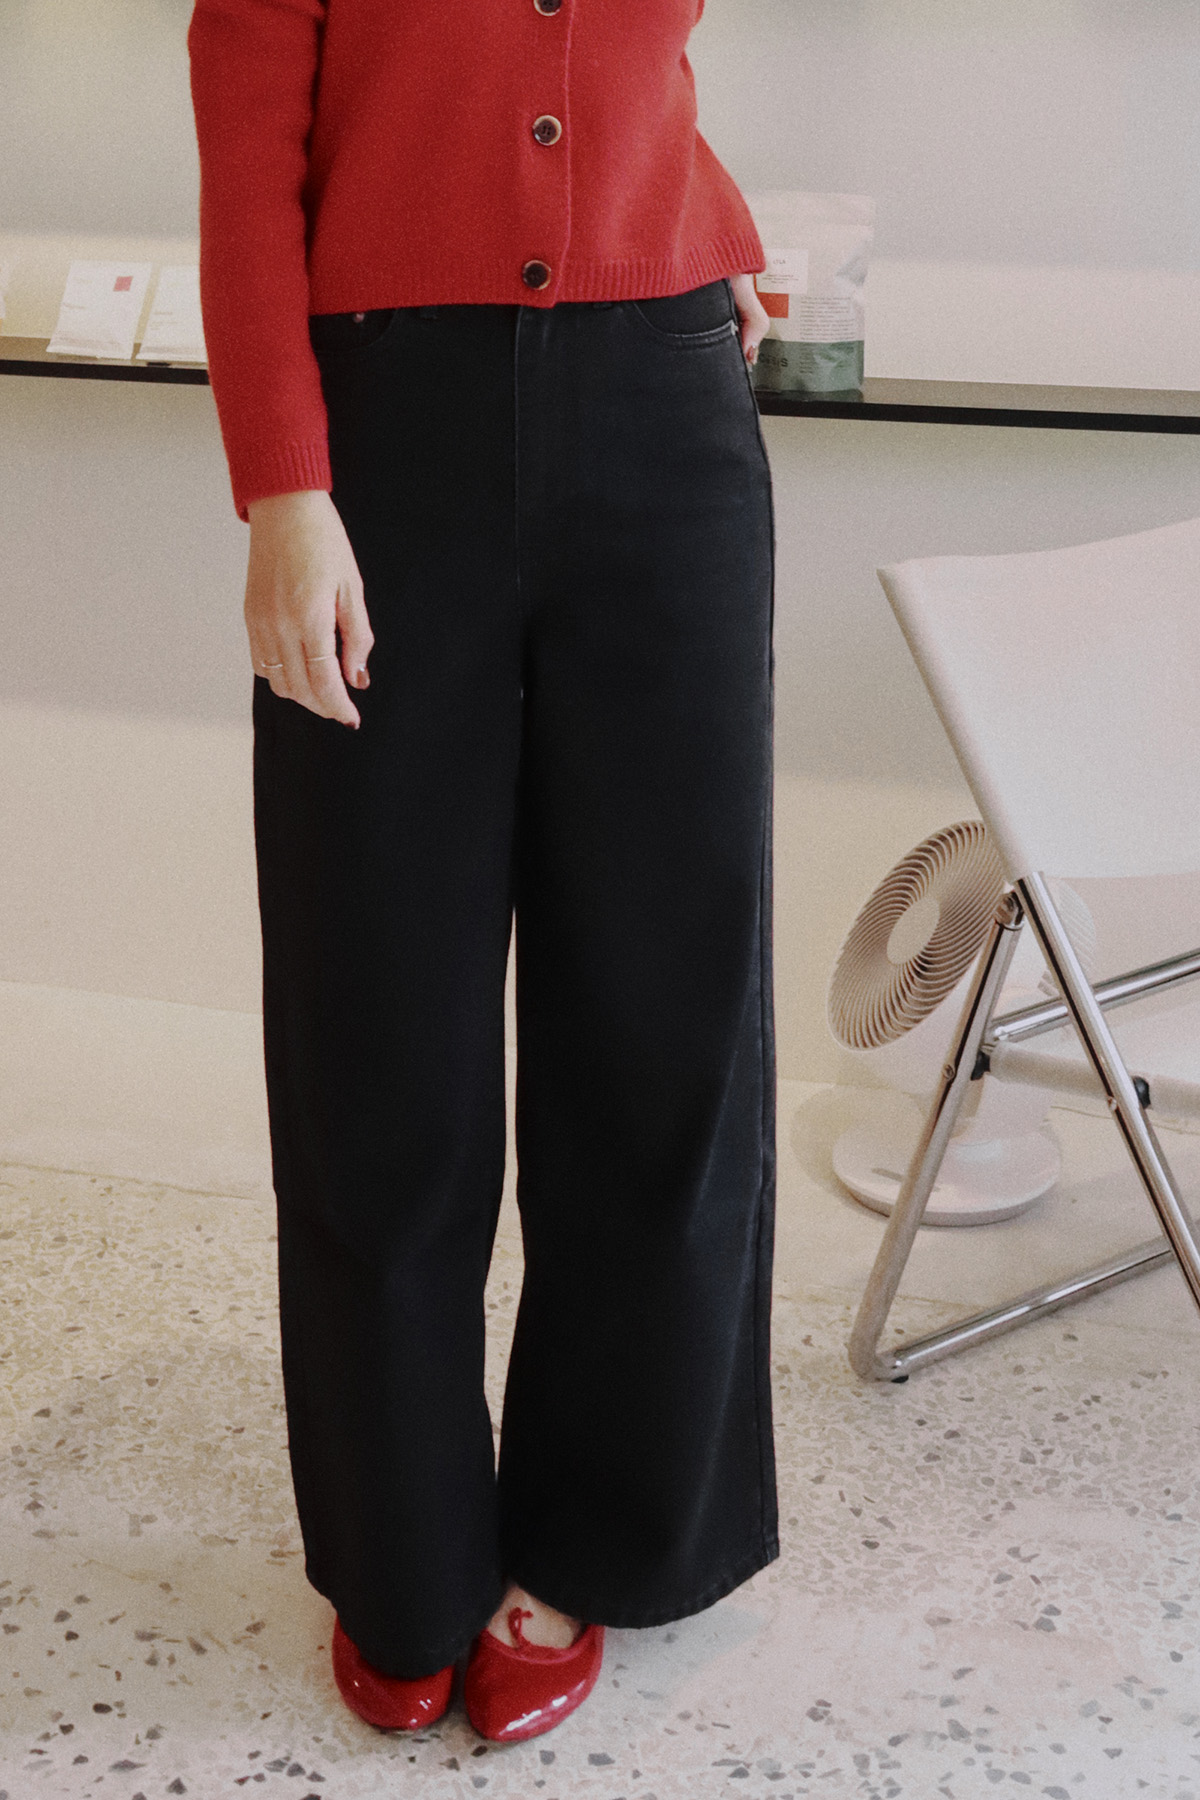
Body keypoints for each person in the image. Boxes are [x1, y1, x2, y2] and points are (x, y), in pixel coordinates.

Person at [187, 0, 778, 1745]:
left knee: (661, 1018)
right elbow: (248, 169)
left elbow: (631, 68)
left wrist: (702, 227)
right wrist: (283, 486)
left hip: (664, 403)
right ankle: (403, 1558)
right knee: (380, 1020)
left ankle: (604, 1536)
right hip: (387, 437)